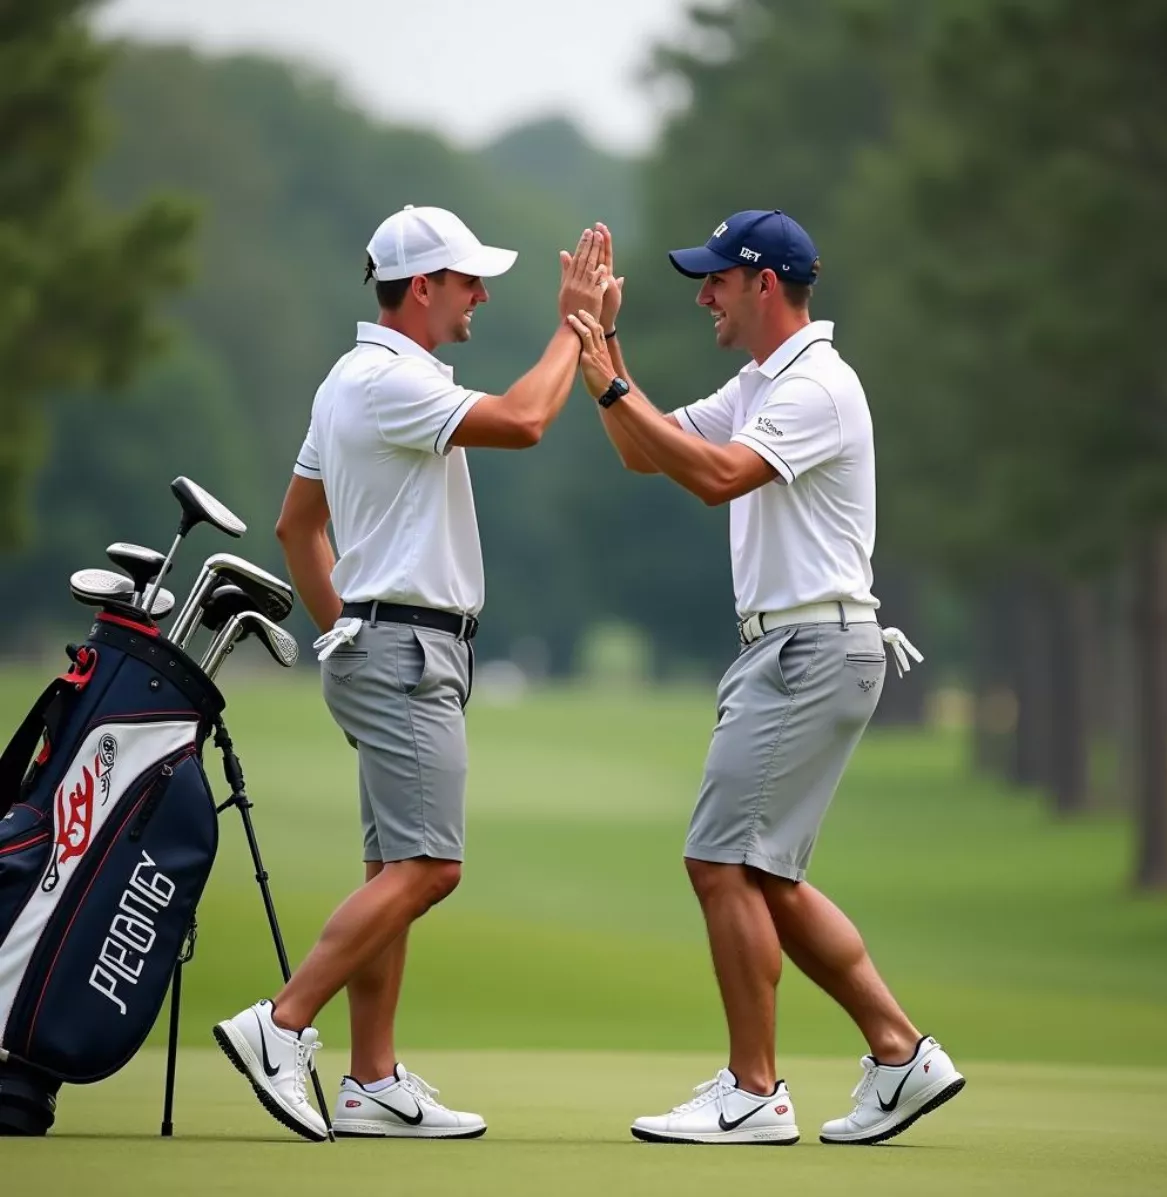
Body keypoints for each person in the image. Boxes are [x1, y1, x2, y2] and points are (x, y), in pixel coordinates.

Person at [565, 211, 965, 1146]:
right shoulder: (760, 383)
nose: (703, 295)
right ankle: (902, 1056)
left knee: (720, 864)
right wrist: (603, 344)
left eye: (716, 280)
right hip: (788, 651)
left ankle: (755, 1093)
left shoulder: (816, 388)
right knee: (766, 879)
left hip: (809, 649)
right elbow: (644, 447)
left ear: (765, 284)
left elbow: (715, 479)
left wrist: (613, 379)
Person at [213, 206, 608, 1142]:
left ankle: (370, 1081)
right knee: (431, 866)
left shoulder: (348, 379)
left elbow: (297, 527)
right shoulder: (391, 380)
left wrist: (344, 628)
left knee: (392, 863)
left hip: (385, 646)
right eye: (468, 278)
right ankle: (280, 1024)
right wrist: (575, 326)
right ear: (421, 287)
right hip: (408, 650)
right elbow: (523, 421)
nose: (481, 293)